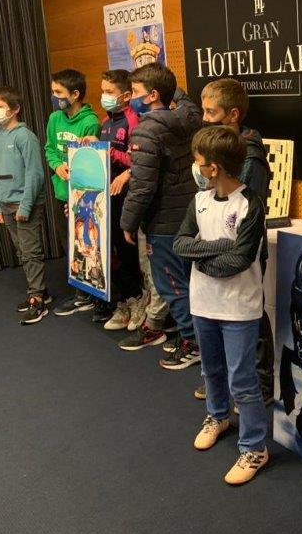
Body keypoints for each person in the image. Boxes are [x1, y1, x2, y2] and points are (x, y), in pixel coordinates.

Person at [174, 125, 269, 485]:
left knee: (242, 380)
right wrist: (216, 248)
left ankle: (255, 447)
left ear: (213, 168)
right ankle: (218, 416)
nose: (196, 168)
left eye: (198, 162)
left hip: (239, 308)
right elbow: (181, 244)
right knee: (211, 370)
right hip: (203, 303)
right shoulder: (198, 201)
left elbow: (240, 260)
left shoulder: (250, 205)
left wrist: (201, 260)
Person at [192, 78, 274, 408]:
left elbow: (245, 211)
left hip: (244, 249)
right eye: (203, 111)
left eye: (211, 112)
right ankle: (228, 379)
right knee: (222, 312)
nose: (204, 118)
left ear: (233, 114)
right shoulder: (214, 150)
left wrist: (217, 253)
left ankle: (261, 382)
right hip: (216, 243)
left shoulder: (250, 158)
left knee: (250, 311)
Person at [119, 63, 202, 368]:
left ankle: (193, 342)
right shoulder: (189, 117)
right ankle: (194, 336)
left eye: (135, 92)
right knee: (188, 283)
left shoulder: (146, 130)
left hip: (164, 221)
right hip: (189, 216)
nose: (130, 98)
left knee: (171, 286)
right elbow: (186, 101)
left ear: (153, 95)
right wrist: (170, 87)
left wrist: (128, 222)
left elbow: (142, 187)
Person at [84, 69, 144, 327]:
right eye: (103, 91)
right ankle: (126, 297)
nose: (104, 96)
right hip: (105, 194)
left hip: (126, 194)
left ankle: (137, 299)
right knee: (108, 248)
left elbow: (136, 160)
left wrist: (106, 150)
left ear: (126, 95)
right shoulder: (106, 122)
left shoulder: (133, 120)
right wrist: (93, 146)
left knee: (127, 247)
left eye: (110, 92)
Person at [0, 85, 49, 325]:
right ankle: (40, 290)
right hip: (5, 204)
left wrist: (25, 206)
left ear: (15, 109)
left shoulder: (25, 136)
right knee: (22, 251)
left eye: (0, 106)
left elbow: (35, 174)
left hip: (25, 204)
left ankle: (37, 299)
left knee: (31, 251)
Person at [44, 69, 101, 317]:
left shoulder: (90, 122)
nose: (54, 97)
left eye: (59, 92)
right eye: (53, 91)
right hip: (60, 191)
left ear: (74, 94)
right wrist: (57, 165)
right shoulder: (54, 118)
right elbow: (49, 149)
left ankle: (89, 295)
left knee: (85, 243)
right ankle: (80, 292)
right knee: (69, 245)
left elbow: (92, 161)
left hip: (82, 196)